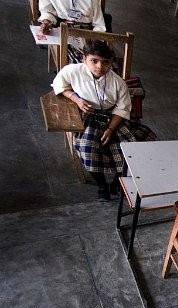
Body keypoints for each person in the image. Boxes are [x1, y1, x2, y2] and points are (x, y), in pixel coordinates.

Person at [51, 40, 136, 201]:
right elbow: (59, 84)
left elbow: (123, 108)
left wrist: (110, 129)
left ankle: (117, 183)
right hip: (88, 115)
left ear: (111, 63)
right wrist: (76, 99)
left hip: (111, 117)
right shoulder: (72, 70)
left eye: (105, 62)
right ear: (84, 59)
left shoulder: (118, 82)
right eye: (94, 61)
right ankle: (102, 185)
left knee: (130, 147)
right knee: (89, 149)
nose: (99, 66)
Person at [38, 0, 111, 33]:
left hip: (87, 30)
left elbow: (99, 25)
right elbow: (47, 11)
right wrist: (47, 21)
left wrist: (95, 43)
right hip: (61, 26)